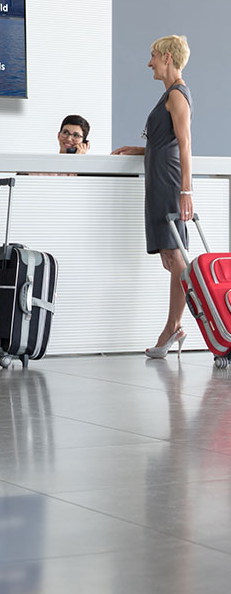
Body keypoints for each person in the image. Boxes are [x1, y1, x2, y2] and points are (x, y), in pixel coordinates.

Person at [113, 35, 193, 358]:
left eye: (153, 57)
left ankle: (172, 327)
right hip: (159, 180)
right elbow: (167, 143)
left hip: (169, 183)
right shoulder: (169, 97)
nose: (150, 64)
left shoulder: (177, 97)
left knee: (176, 258)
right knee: (168, 258)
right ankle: (174, 326)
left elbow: (185, 145)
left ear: (167, 58)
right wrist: (139, 151)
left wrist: (187, 190)